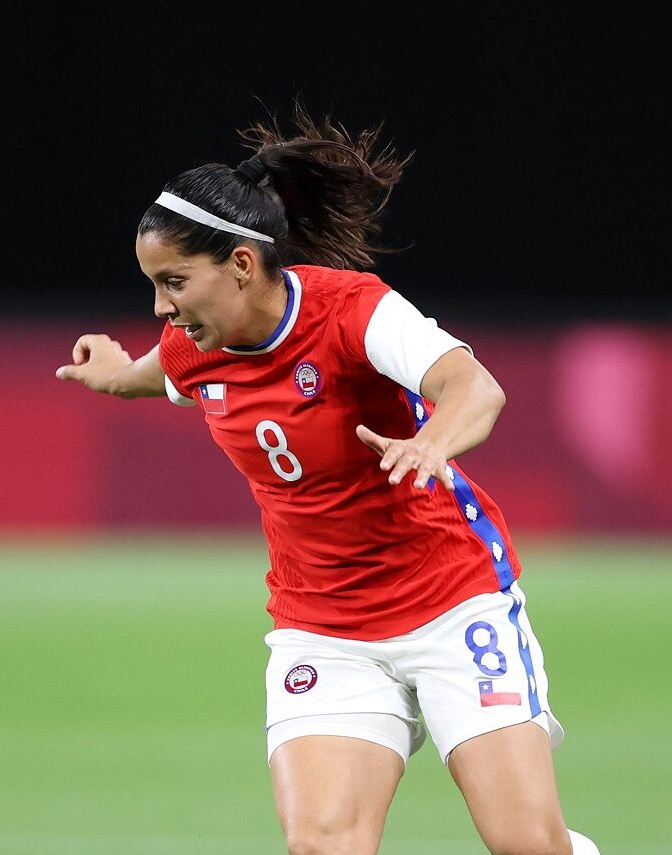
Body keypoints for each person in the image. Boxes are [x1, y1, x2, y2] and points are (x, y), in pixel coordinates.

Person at [54, 102, 599, 855]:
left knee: (525, 846)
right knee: (321, 846)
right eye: (152, 285)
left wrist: (431, 440)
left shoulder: (352, 311)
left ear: (241, 264)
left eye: (173, 281)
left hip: (449, 600)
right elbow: (152, 373)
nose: (161, 307)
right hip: (324, 627)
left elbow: (474, 386)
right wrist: (111, 372)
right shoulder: (193, 347)